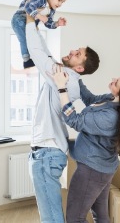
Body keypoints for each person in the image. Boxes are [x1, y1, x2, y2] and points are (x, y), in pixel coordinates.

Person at [25, 15, 106, 223]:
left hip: (46, 154)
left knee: (51, 219)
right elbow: (45, 54)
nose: (72, 51)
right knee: (50, 217)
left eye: (77, 54)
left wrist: (29, 20)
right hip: (48, 153)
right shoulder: (65, 77)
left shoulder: (65, 78)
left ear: (79, 68)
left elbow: (36, 53)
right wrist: (36, 24)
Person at [51, 65, 120, 223]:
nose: (113, 80)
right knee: (101, 216)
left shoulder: (111, 117)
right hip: (102, 169)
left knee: (74, 218)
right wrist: (77, 77)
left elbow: (74, 120)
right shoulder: (111, 100)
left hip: (92, 171)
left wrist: (61, 87)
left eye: (117, 82)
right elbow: (90, 99)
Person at [12, 0, 69, 69]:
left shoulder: (52, 10)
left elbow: (48, 23)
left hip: (29, 22)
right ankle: (26, 60)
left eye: (63, 2)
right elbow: (28, 6)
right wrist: (39, 16)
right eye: (59, 0)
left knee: (34, 40)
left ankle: (36, 59)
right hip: (19, 19)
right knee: (24, 40)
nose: (60, 4)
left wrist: (57, 23)